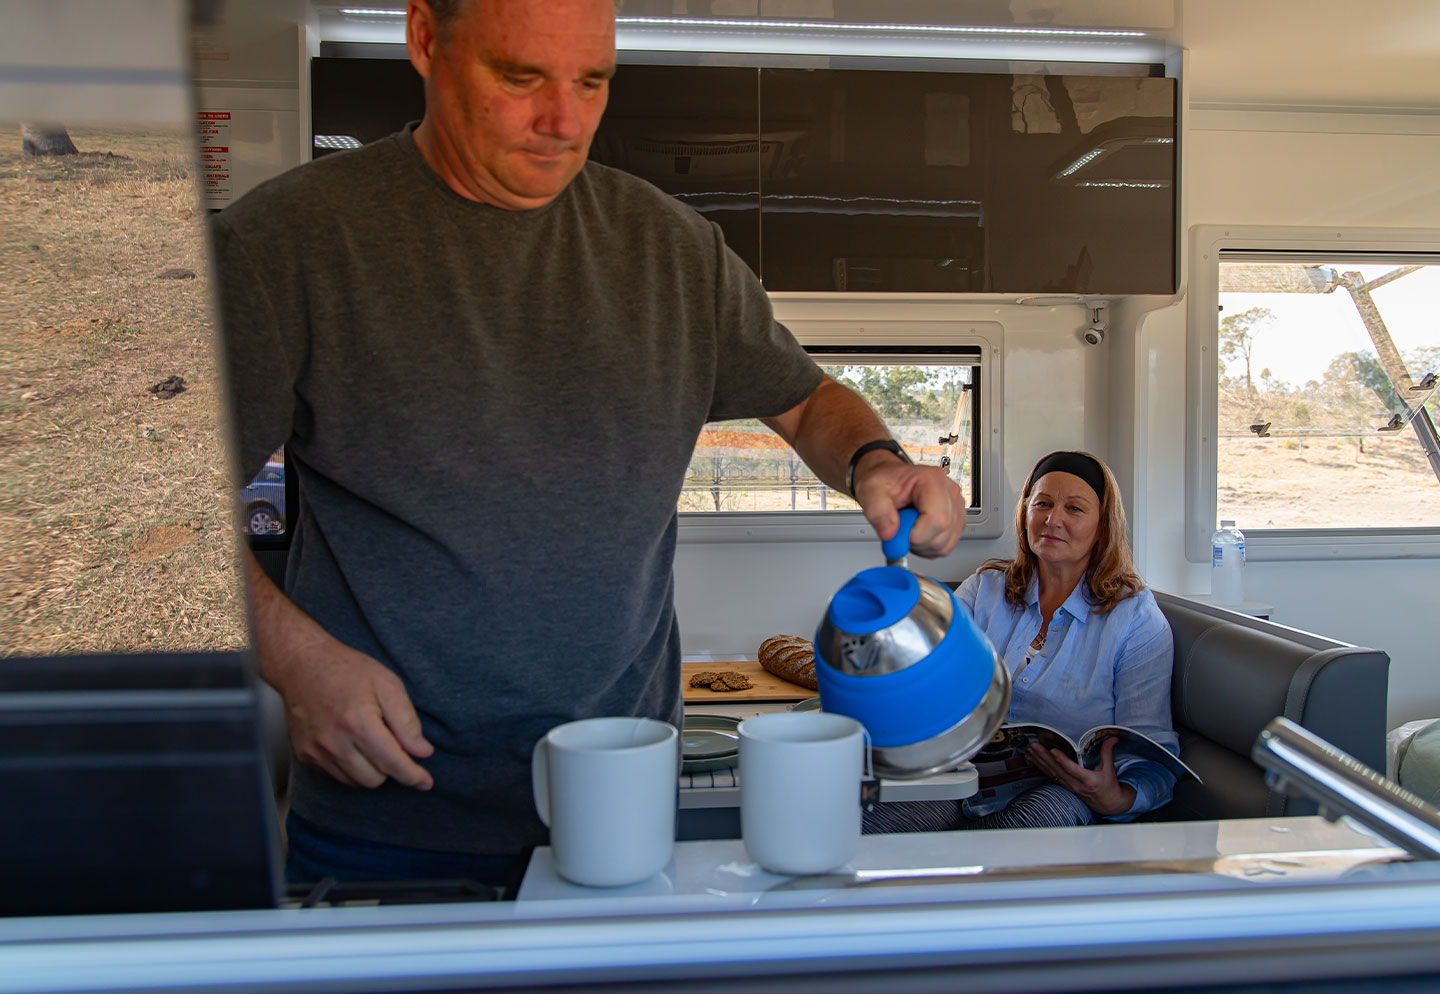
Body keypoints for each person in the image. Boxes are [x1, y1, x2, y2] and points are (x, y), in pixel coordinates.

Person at [212, 0, 968, 890]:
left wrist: (876, 459)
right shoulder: (287, 244)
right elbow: (141, 517)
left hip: (621, 804)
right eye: (520, 77)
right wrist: (298, 663)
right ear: (425, 40)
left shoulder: (674, 251)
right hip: (390, 814)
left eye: (592, 80)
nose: (563, 121)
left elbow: (802, 401)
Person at [864, 449, 1177, 833]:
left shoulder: (1136, 621)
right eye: (1042, 503)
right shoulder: (985, 589)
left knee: (1026, 829)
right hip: (963, 775)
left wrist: (1116, 797)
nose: (1052, 520)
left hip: (1062, 792)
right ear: (1026, 511)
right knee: (869, 827)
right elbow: (928, 662)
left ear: (1103, 525)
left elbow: (1154, 755)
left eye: (1075, 509)